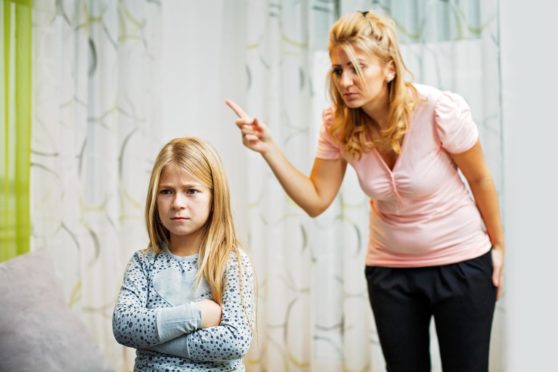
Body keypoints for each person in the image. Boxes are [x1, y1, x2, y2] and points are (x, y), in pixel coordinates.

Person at [226, 9, 503, 372]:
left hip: (462, 263)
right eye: (338, 70)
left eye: (358, 67)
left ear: (389, 68)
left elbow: (480, 179)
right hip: (390, 271)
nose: (345, 81)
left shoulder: (437, 110)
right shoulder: (338, 126)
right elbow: (316, 199)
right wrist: (269, 149)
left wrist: (498, 247)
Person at [112, 137, 255, 371]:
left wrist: (152, 338)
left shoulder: (232, 262)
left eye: (191, 191)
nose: (177, 202)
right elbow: (124, 326)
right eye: (167, 191)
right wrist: (197, 314)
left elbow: (235, 341)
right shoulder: (143, 263)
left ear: (214, 197)